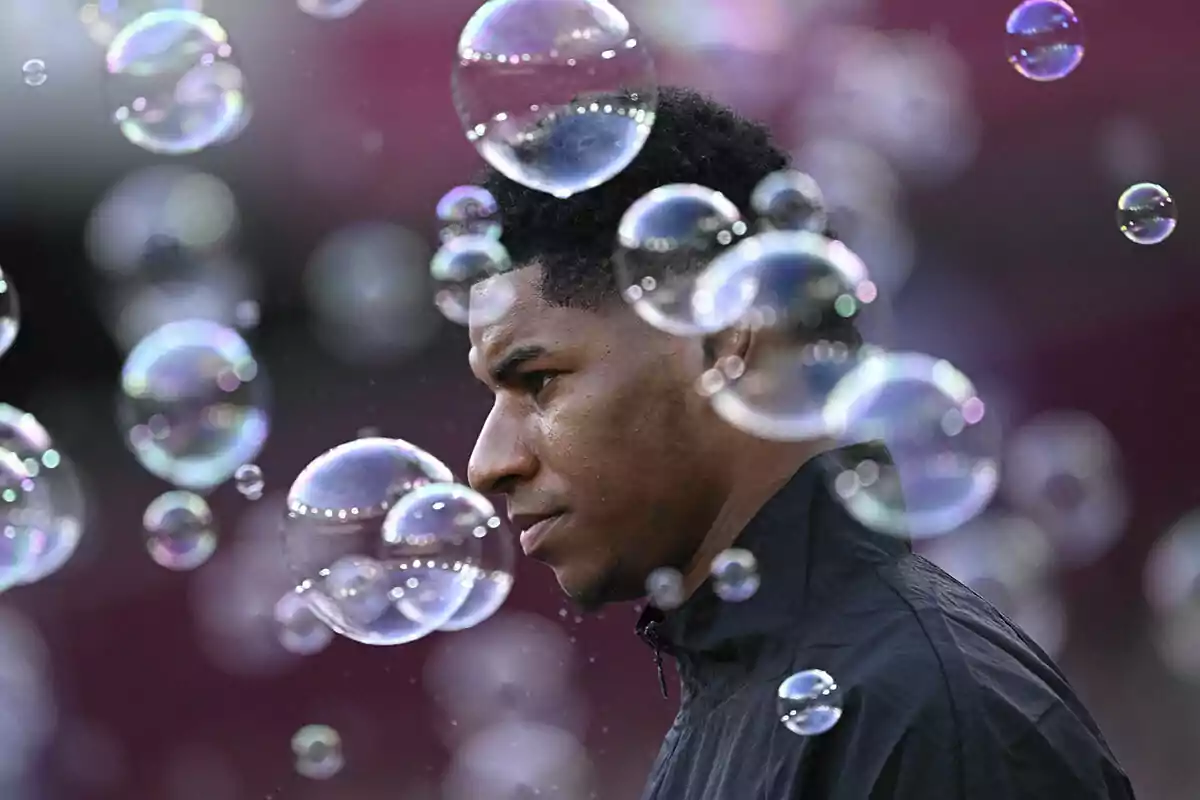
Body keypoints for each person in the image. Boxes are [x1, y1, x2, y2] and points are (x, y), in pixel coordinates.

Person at [463, 86, 1135, 799]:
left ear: (723, 341)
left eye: (538, 381)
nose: (487, 465)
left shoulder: (924, 715)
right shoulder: (750, 698)